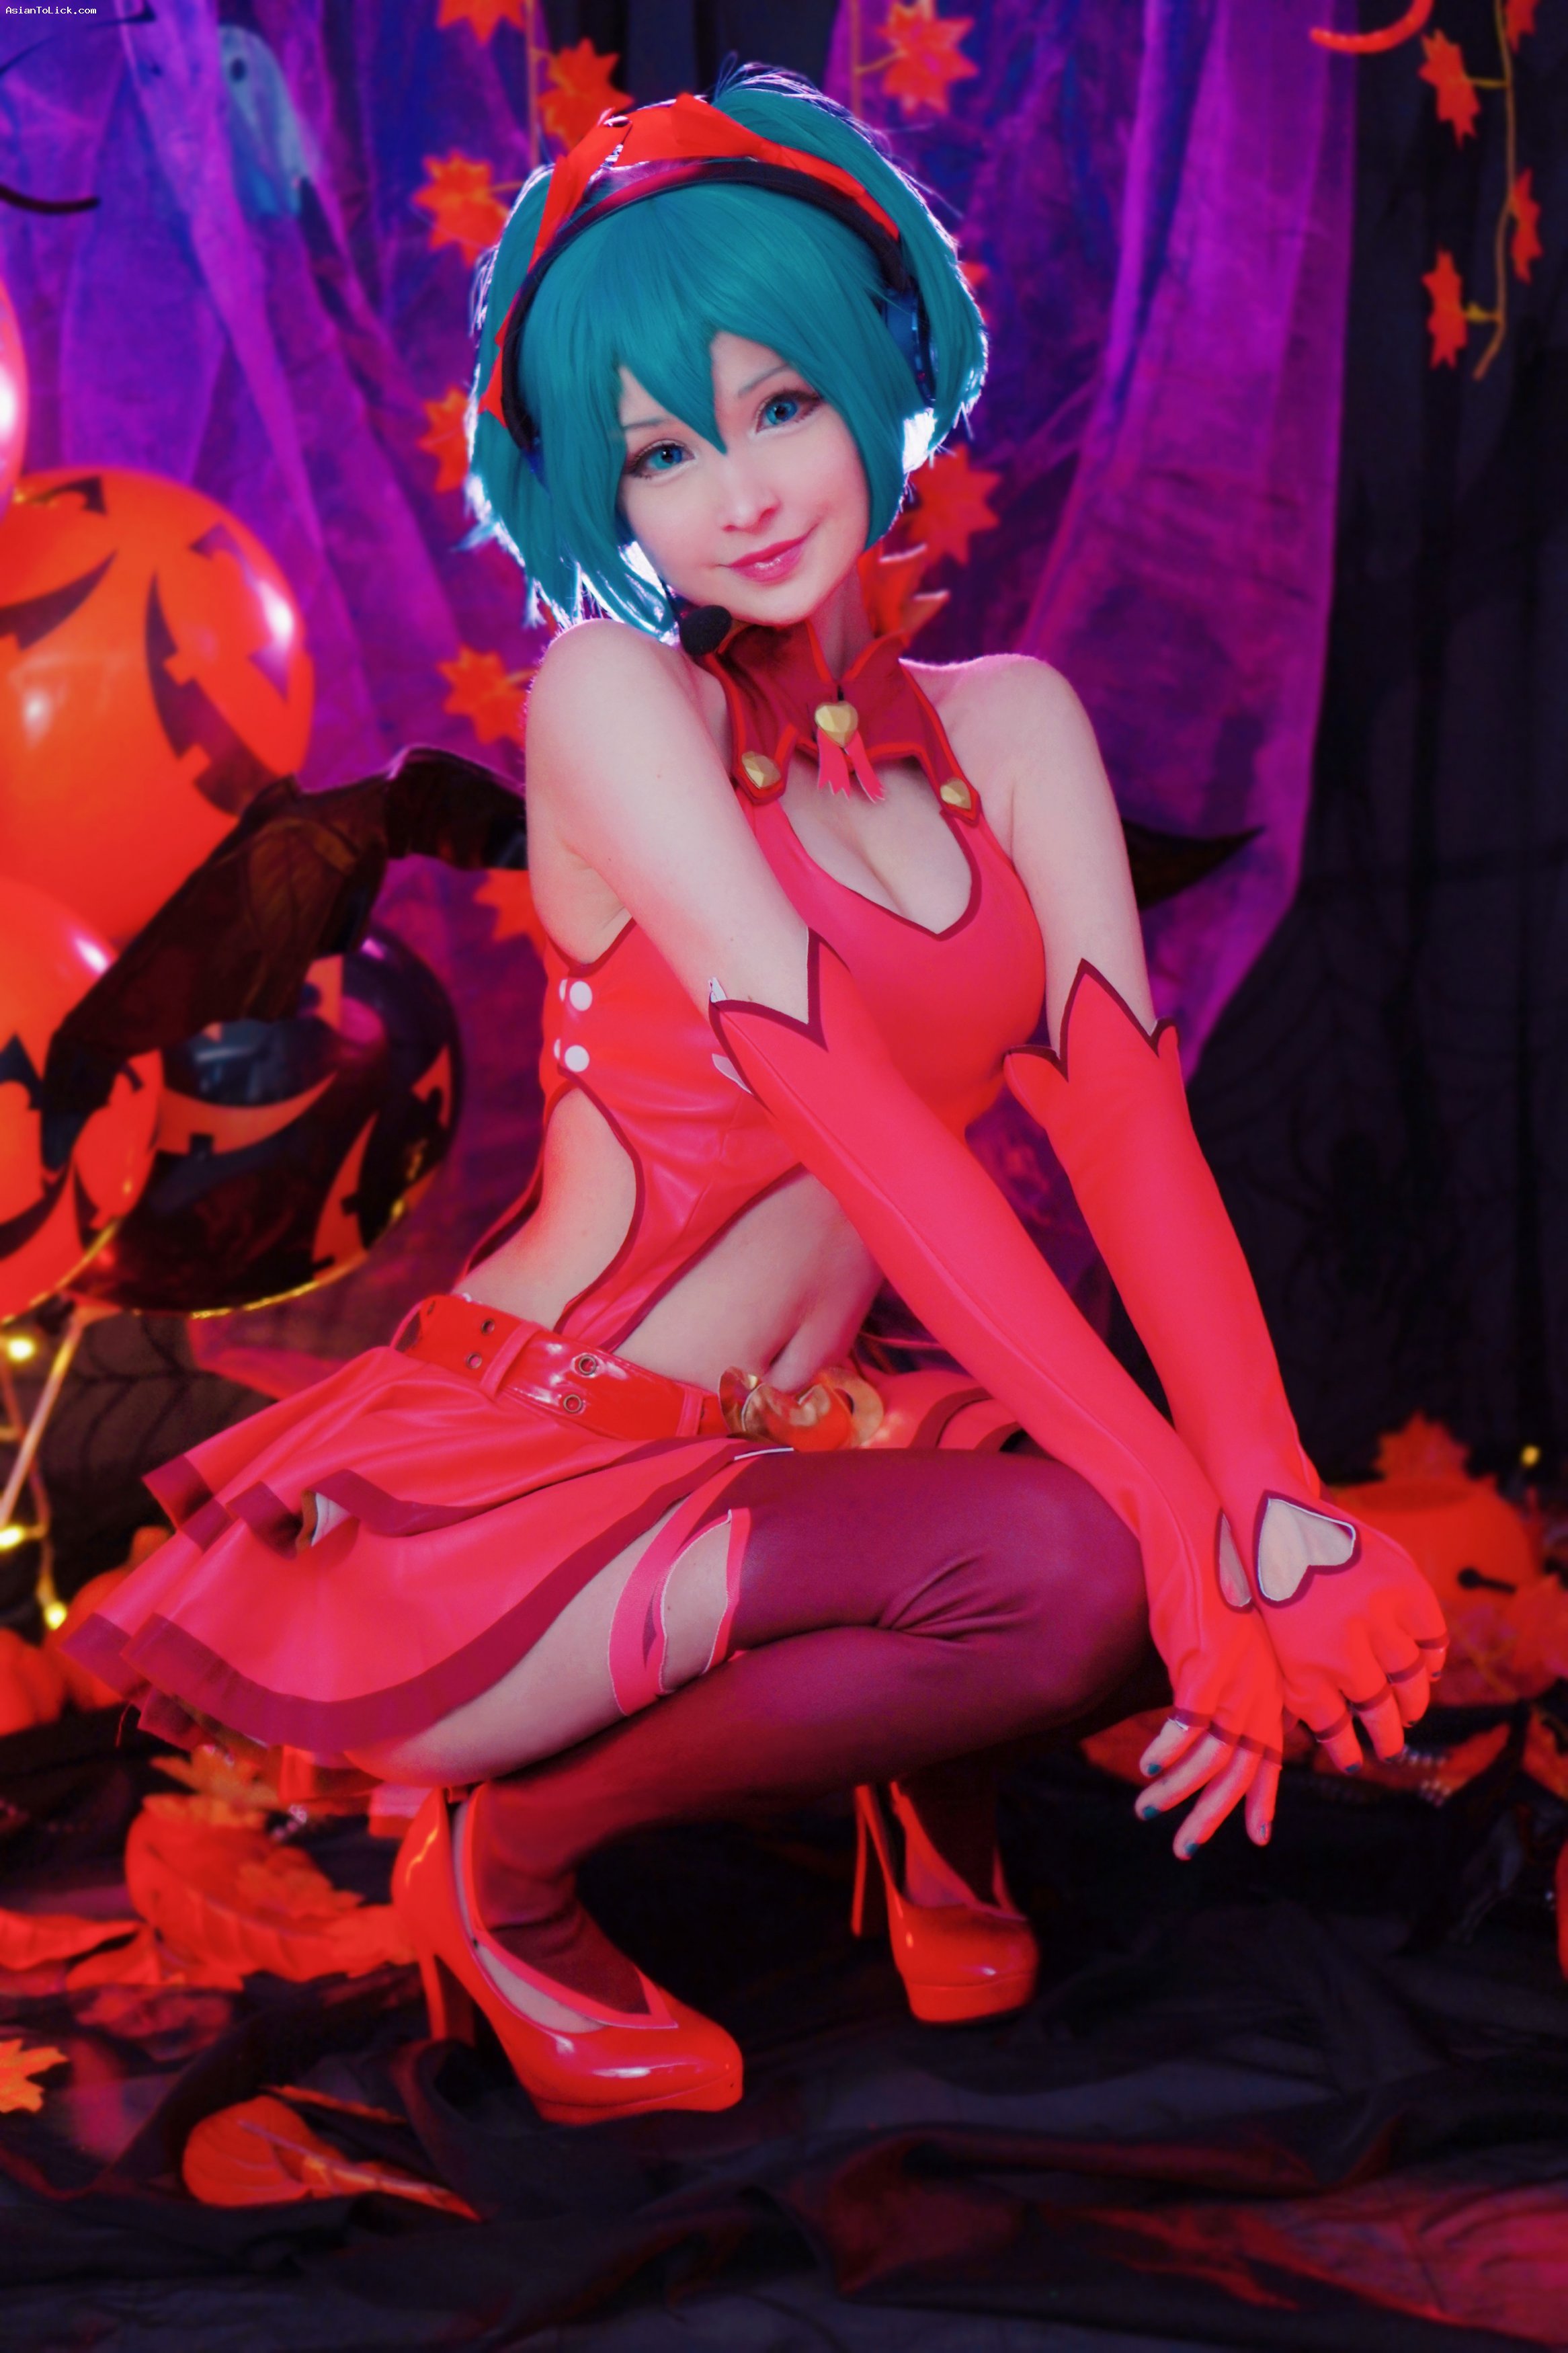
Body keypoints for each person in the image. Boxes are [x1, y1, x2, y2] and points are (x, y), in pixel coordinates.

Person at [68, 69, 1446, 2126]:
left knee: (1169, 1535)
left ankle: (920, 1764)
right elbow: (860, 1128)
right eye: (661, 450)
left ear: (882, 369)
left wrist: (1275, 1510)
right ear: (607, 497)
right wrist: (1179, 1527)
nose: (739, 491)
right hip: (555, 1465)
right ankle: (513, 1865)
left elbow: (1128, 1131)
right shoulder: (612, 699)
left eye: (779, 401)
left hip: (828, 1427)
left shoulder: (1017, 728)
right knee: (1094, 1563)